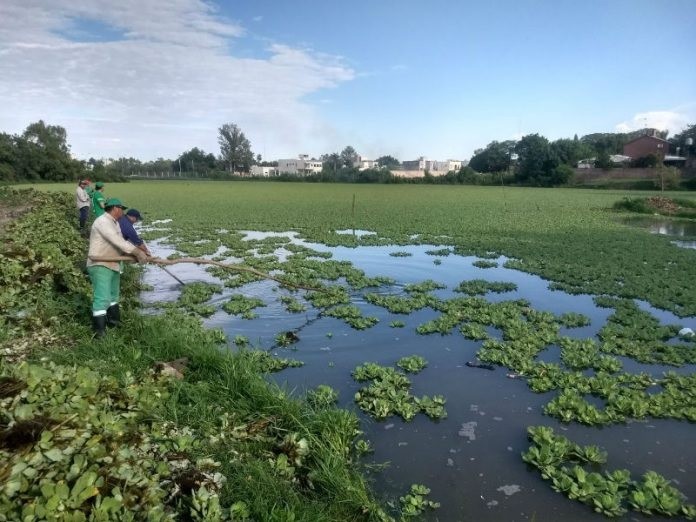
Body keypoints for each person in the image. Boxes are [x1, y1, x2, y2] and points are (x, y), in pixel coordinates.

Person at [87, 198, 148, 337]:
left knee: (113, 296)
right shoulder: (102, 221)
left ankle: (114, 322)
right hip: (100, 264)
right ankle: (99, 332)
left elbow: (121, 244)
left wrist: (131, 257)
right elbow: (118, 241)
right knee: (102, 298)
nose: (123, 211)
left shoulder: (115, 223)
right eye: (121, 208)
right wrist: (137, 251)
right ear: (115, 208)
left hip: (113, 263)